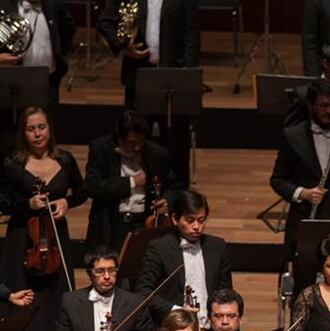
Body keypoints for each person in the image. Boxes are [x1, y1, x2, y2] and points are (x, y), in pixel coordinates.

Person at [0, 106, 84, 331]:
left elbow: (82, 191)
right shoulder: (12, 163)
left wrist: (66, 203)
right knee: (24, 300)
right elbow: (2, 202)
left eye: (42, 127)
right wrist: (27, 205)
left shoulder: (65, 159)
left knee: (57, 301)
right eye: (31, 128)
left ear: (50, 129)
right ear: (22, 133)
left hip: (56, 239)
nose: (37, 134)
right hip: (23, 240)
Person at [96, 0, 199, 186]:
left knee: (177, 141)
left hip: (173, 79)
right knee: (135, 138)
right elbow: (105, 21)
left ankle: (178, 195)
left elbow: (191, 33)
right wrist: (123, 45)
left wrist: (188, 77)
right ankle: (136, 192)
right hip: (138, 78)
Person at [269, 79, 330, 259]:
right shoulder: (293, 136)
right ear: (310, 105)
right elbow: (278, 180)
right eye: (322, 106)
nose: (328, 111)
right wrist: (303, 193)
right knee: (305, 280)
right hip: (305, 221)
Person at [135, 190, 233, 330]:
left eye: (201, 220)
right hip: (172, 330)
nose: (196, 227)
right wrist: (177, 311)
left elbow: (226, 293)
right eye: (190, 220)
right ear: (175, 219)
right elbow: (143, 293)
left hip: (210, 329)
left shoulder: (217, 247)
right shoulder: (159, 248)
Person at [84, 109, 179, 252]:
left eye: (141, 141)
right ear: (120, 137)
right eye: (132, 142)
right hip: (111, 225)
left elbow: (174, 185)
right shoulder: (100, 149)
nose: (137, 147)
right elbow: (93, 187)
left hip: (144, 223)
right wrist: (132, 182)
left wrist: (167, 200)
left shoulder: (157, 153)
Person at [0, 0, 74, 115]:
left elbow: (68, 29)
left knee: (48, 126)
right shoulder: (4, 4)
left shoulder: (54, 4)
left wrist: (60, 54)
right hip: (13, 84)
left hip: (49, 82)